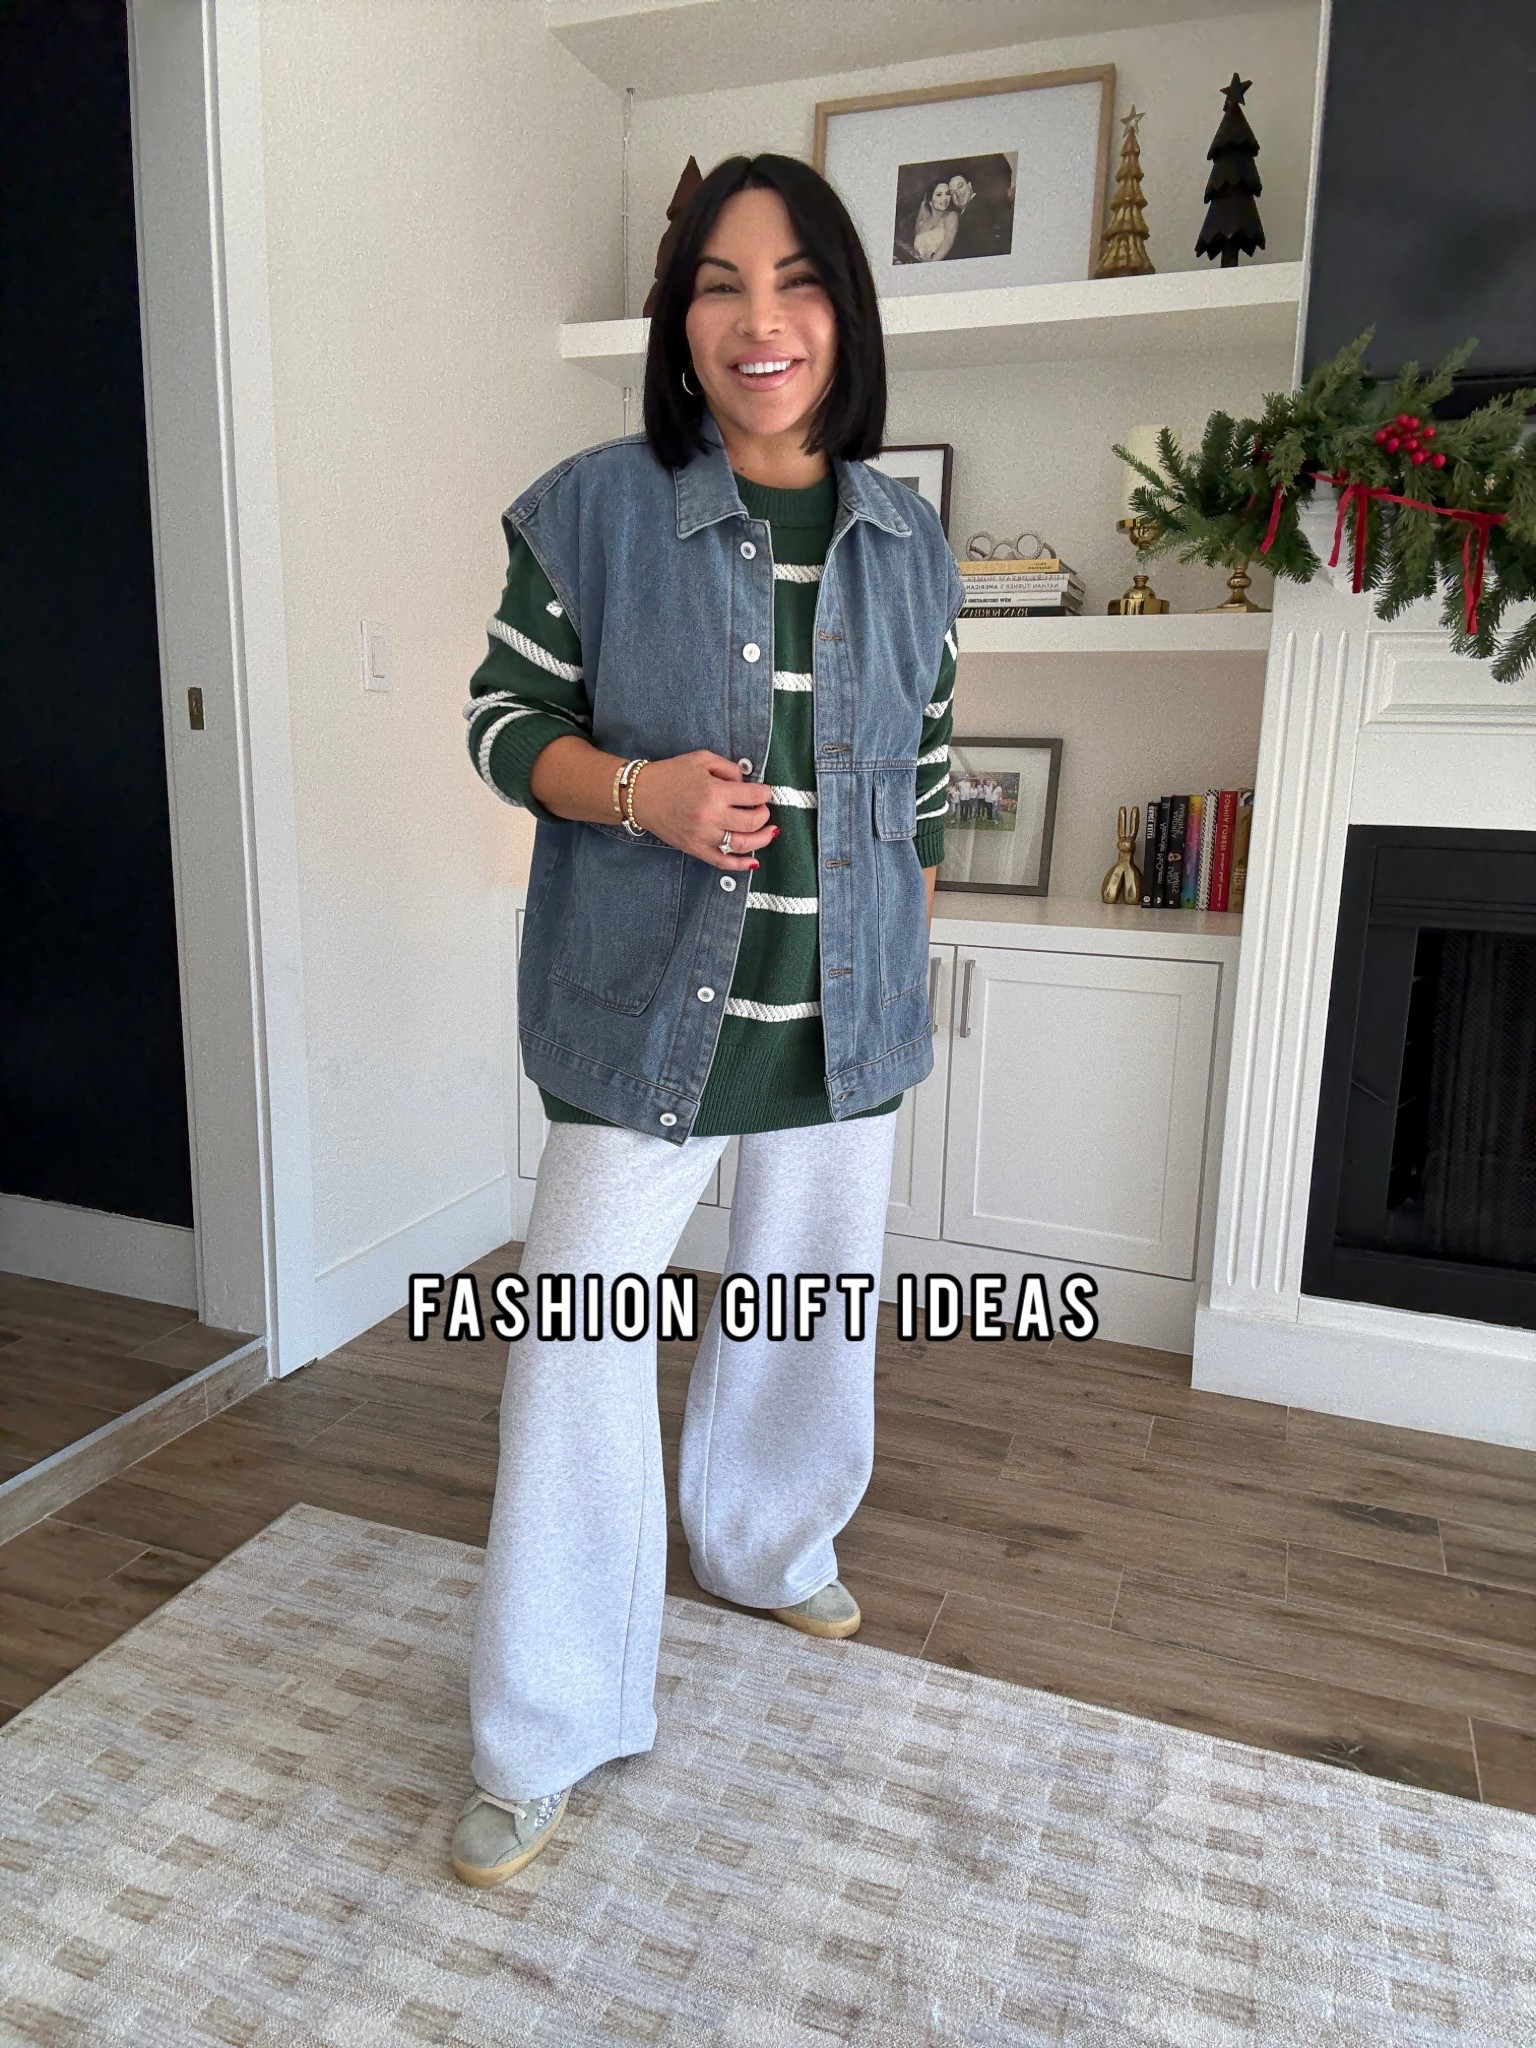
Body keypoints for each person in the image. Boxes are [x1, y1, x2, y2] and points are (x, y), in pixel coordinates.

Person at [452, 151, 963, 1888]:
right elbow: (504, 724)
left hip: (845, 1020)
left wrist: (903, 958)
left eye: (798, 280)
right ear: (680, 321)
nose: (762, 320)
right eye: (721, 284)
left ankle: (766, 1542)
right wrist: (638, 793)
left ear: (845, 315)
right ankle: (544, 1722)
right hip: (646, 1021)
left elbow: (928, 779)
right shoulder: (589, 512)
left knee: (810, 1304)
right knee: (573, 1347)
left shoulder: (908, 541)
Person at [911, 175, 959, 261]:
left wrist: (931, 264)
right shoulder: (923, 220)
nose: (944, 198)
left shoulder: (951, 216)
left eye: (947, 194)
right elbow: (915, 248)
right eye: (939, 195)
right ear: (930, 199)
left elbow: (947, 243)